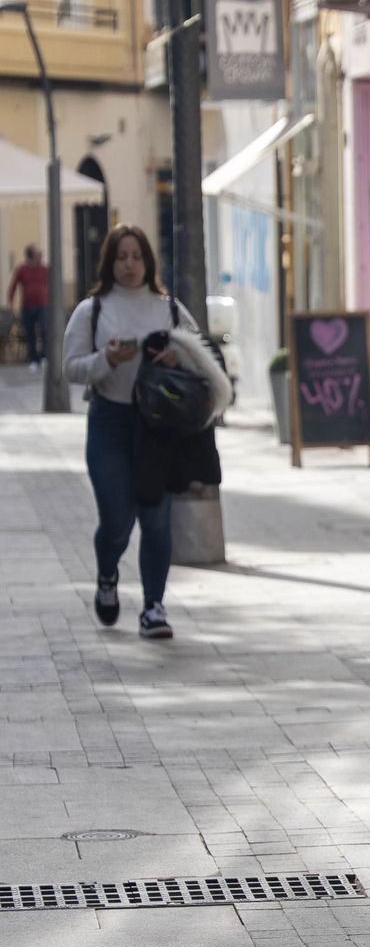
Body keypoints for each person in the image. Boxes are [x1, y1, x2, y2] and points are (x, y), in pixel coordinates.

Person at [63, 224, 230, 640]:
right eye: (122, 257)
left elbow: (203, 356)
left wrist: (178, 357)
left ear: (148, 261)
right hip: (109, 422)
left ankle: (153, 607)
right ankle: (107, 575)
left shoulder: (168, 309)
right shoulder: (92, 311)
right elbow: (70, 367)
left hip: (157, 428)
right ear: (109, 262)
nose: (130, 264)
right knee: (117, 519)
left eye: (136, 256)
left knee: (156, 519)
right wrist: (107, 360)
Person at [9, 244, 48, 371]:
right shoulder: (22, 270)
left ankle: (44, 357)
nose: (41, 256)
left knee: (44, 331)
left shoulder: (44, 269)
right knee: (30, 333)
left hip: (42, 306)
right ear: (31, 256)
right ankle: (33, 360)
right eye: (38, 254)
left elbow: (52, 284)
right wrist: (10, 301)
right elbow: (14, 285)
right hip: (27, 307)